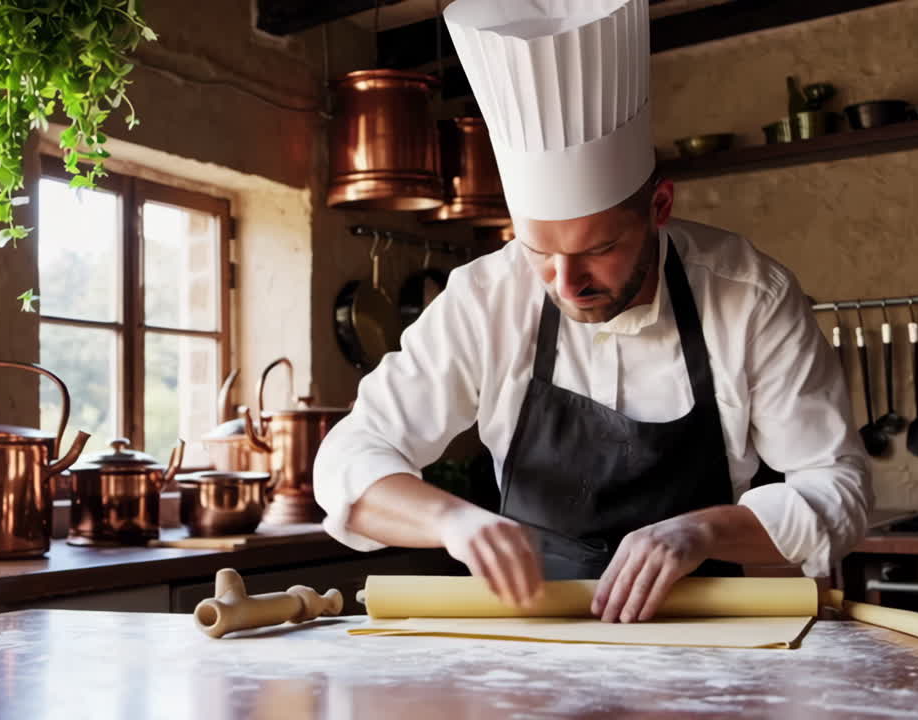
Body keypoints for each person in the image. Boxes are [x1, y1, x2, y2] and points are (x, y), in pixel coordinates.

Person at [313, 0, 871, 624]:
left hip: (705, 635)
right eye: (538, 251)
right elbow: (349, 457)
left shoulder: (750, 297)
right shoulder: (485, 297)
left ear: (659, 207)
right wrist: (453, 521)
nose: (566, 282)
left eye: (599, 249)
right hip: (534, 638)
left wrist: (703, 533)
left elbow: (838, 491)